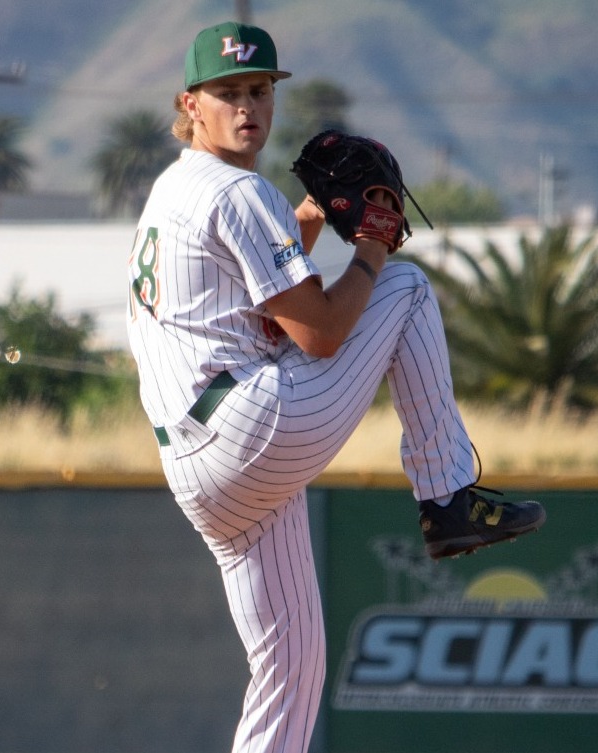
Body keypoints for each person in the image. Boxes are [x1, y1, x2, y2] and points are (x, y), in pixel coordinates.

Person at [125, 21, 546, 753]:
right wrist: (374, 246)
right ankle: (447, 497)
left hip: (200, 467)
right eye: (227, 93)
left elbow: (266, 298)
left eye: (259, 90)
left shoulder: (174, 189)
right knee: (406, 289)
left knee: (292, 669)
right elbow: (318, 333)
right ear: (190, 104)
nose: (247, 106)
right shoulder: (238, 190)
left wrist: (314, 213)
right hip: (250, 427)